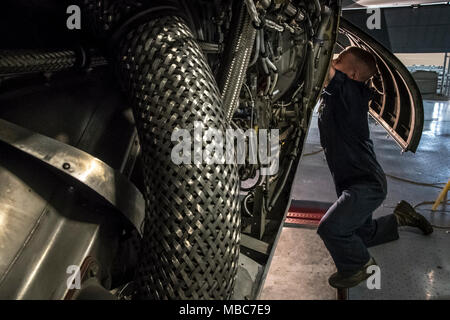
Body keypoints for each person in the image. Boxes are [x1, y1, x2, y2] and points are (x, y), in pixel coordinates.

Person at [317, 46, 433, 289]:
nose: (334, 60)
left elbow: (324, 66)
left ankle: (359, 265)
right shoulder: (344, 92)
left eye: (339, 60)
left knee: (331, 229)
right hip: (357, 179)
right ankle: (402, 217)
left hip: (364, 185)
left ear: (354, 74)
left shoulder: (349, 91)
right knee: (363, 234)